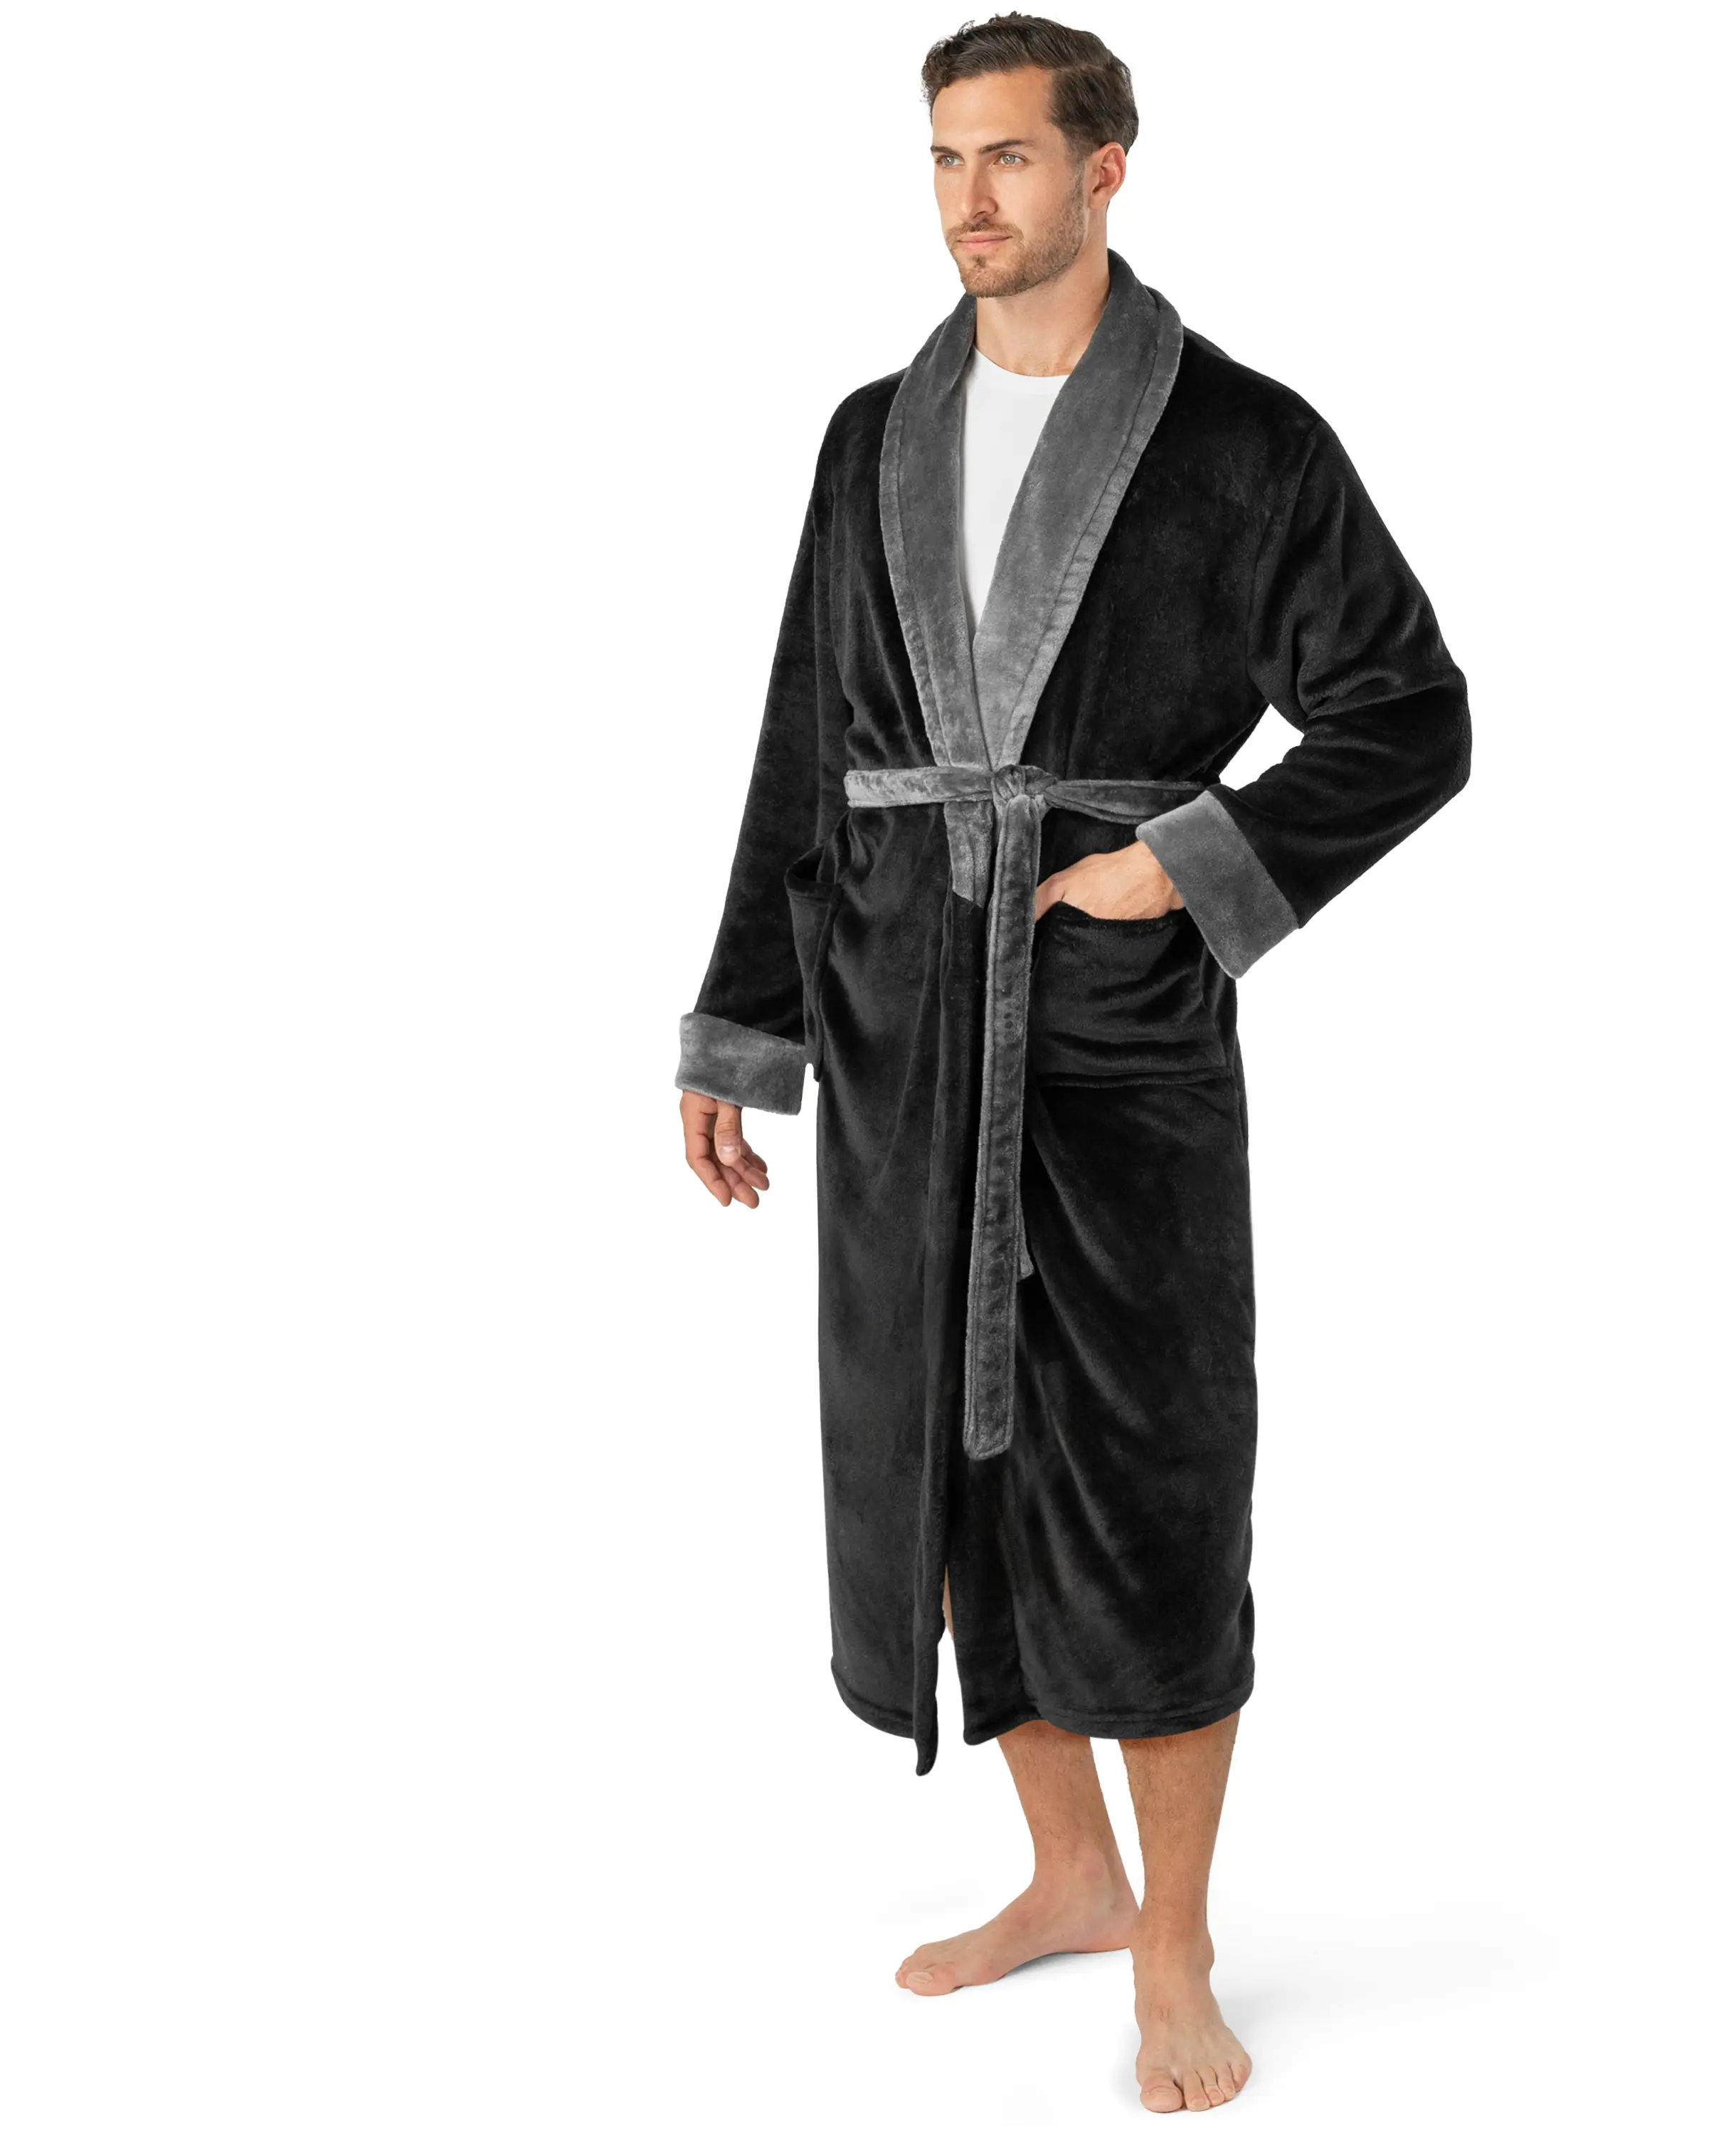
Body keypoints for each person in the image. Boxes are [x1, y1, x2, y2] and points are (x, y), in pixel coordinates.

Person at [675, 15, 1471, 2113]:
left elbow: (1411, 713)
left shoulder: (1243, 441)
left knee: (1147, 1476)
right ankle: (1068, 1875)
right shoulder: (871, 433)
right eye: (944, 158)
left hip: (1114, 1039)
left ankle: (1177, 1937)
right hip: (899, 1021)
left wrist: (1177, 870)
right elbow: (804, 744)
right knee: (946, 1473)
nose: (970, 199)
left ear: (1108, 168)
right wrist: (747, 1021)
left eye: (1010, 158)